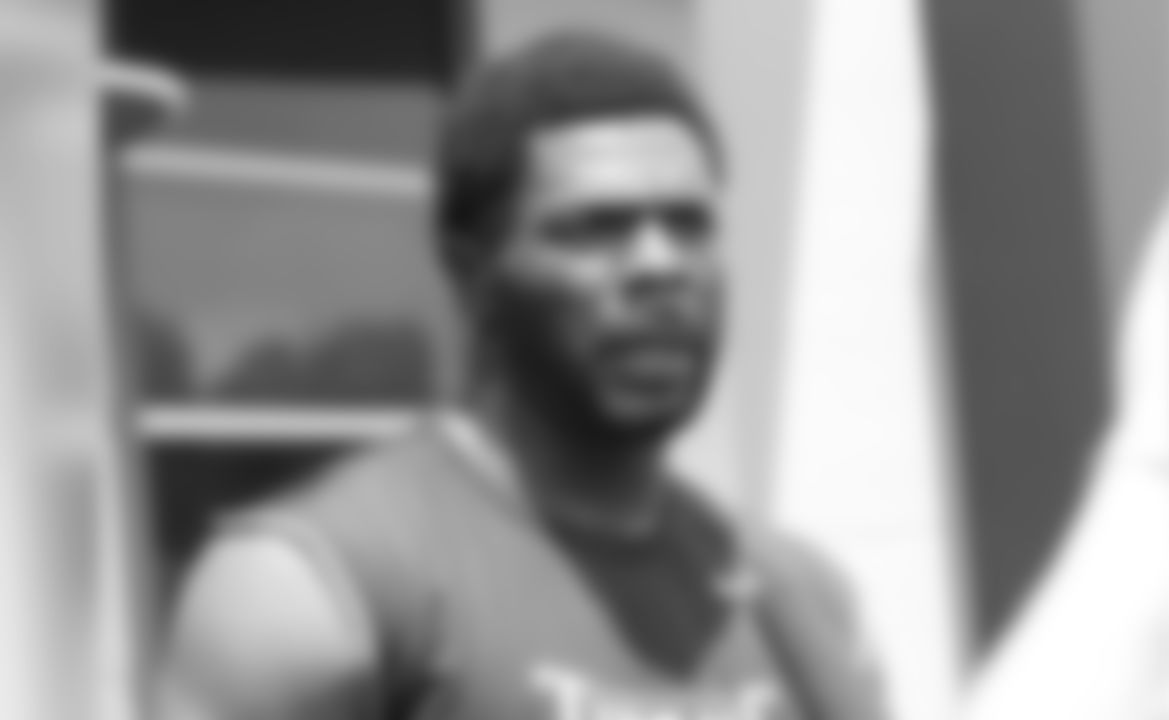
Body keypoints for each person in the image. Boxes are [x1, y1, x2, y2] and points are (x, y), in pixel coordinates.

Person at [161, 31, 885, 720]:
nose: (660, 265)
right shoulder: (311, 593)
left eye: (689, 224)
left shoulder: (806, 599)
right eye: (596, 227)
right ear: (470, 271)